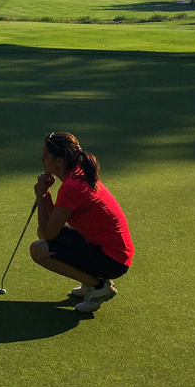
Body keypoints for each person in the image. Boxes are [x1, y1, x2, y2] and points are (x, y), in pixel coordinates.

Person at [29, 132, 133, 313]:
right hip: (103, 247)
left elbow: (48, 233)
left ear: (60, 162)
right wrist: (46, 194)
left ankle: (99, 286)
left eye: (46, 157)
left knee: (38, 249)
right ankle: (90, 281)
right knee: (43, 238)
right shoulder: (77, 174)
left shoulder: (72, 187)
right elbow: (53, 223)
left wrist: (40, 195)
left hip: (113, 259)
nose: (41, 160)